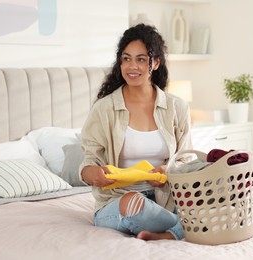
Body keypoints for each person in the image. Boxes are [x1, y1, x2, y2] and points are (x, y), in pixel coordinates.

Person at [79, 24, 192, 241]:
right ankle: (186, 229)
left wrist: (167, 171)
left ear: (155, 63)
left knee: (216, 194)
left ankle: (168, 231)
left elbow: (186, 159)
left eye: (141, 59)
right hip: (118, 201)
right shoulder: (105, 109)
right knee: (132, 202)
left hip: (167, 199)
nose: (132, 66)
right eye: (126, 58)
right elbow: (88, 163)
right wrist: (94, 174)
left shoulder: (177, 107)